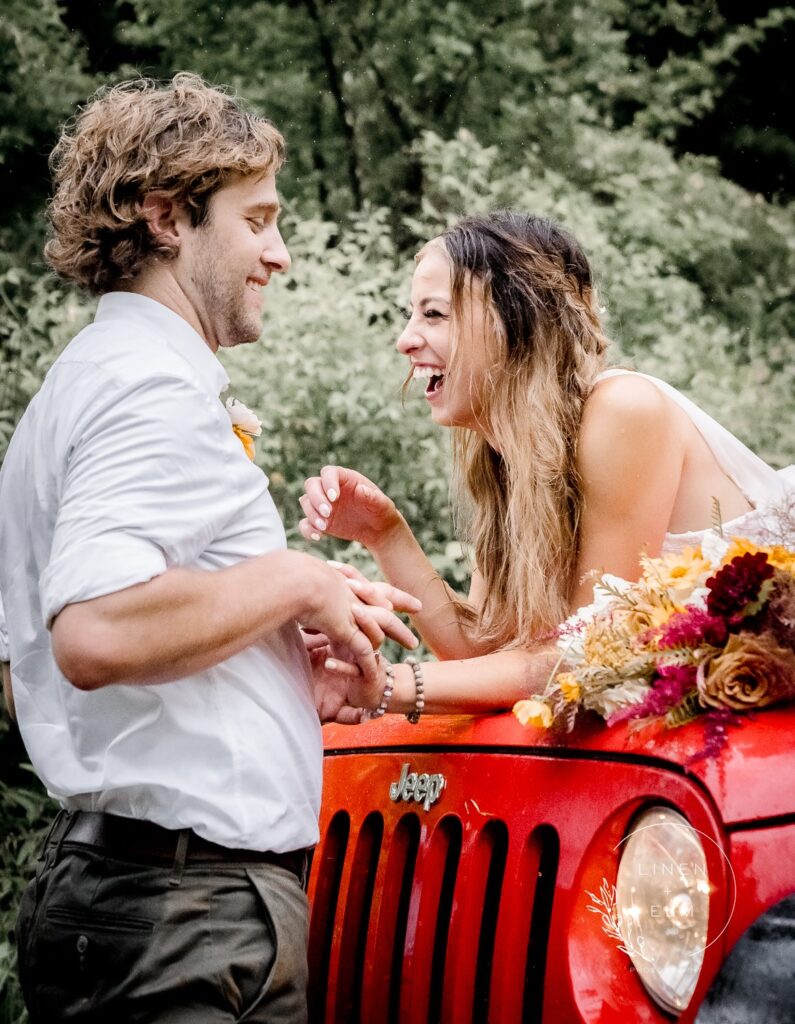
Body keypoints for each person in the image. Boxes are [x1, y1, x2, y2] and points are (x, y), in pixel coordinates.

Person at [0, 73, 419, 1024]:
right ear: (166, 216)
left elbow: (23, 675)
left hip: (113, 891)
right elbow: (93, 634)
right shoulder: (152, 388)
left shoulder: (78, 385)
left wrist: (257, 667)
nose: (278, 254)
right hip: (188, 919)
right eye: (258, 218)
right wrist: (294, 578)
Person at [301, 211, 794, 722]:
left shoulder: (624, 410)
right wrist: (386, 534)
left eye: (434, 315)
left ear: (518, 320)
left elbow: (581, 655)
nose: (404, 339)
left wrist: (382, 685)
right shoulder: (508, 455)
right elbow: (482, 651)